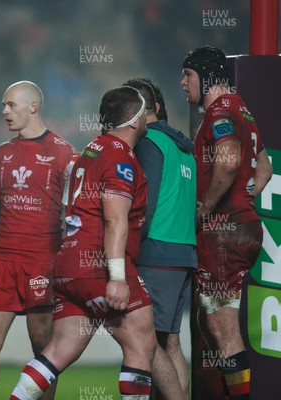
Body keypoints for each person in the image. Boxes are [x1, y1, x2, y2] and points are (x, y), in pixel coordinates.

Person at [11, 86, 156, 400]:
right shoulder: (120, 158)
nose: (147, 119)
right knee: (142, 344)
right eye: (144, 113)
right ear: (133, 120)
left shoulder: (88, 152)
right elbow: (114, 219)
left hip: (68, 266)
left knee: (59, 350)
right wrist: (117, 278)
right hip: (99, 266)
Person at [0, 81, 73, 400]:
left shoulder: (63, 152)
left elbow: (72, 213)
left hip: (43, 261)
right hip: (2, 263)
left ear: (33, 106)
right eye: (3, 105)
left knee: (43, 347)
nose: (4, 111)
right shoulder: (1, 153)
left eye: (11, 105)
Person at [182, 45, 272, 400]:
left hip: (224, 233)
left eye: (188, 75)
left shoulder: (220, 110)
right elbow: (263, 169)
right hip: (242, 226)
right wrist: (243, 200)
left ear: (207, 77)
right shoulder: (244, 111)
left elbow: (230, 160)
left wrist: (207, 207)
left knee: (223, 330)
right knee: (211, 323)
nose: (183, 82)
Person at [126, 77, 195, 400]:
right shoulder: (184, 147)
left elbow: (145, 203)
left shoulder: (149, 142)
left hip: (156, 251)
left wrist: (127, 249)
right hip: (183, 253)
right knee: (170, 341)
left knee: (145, 340)